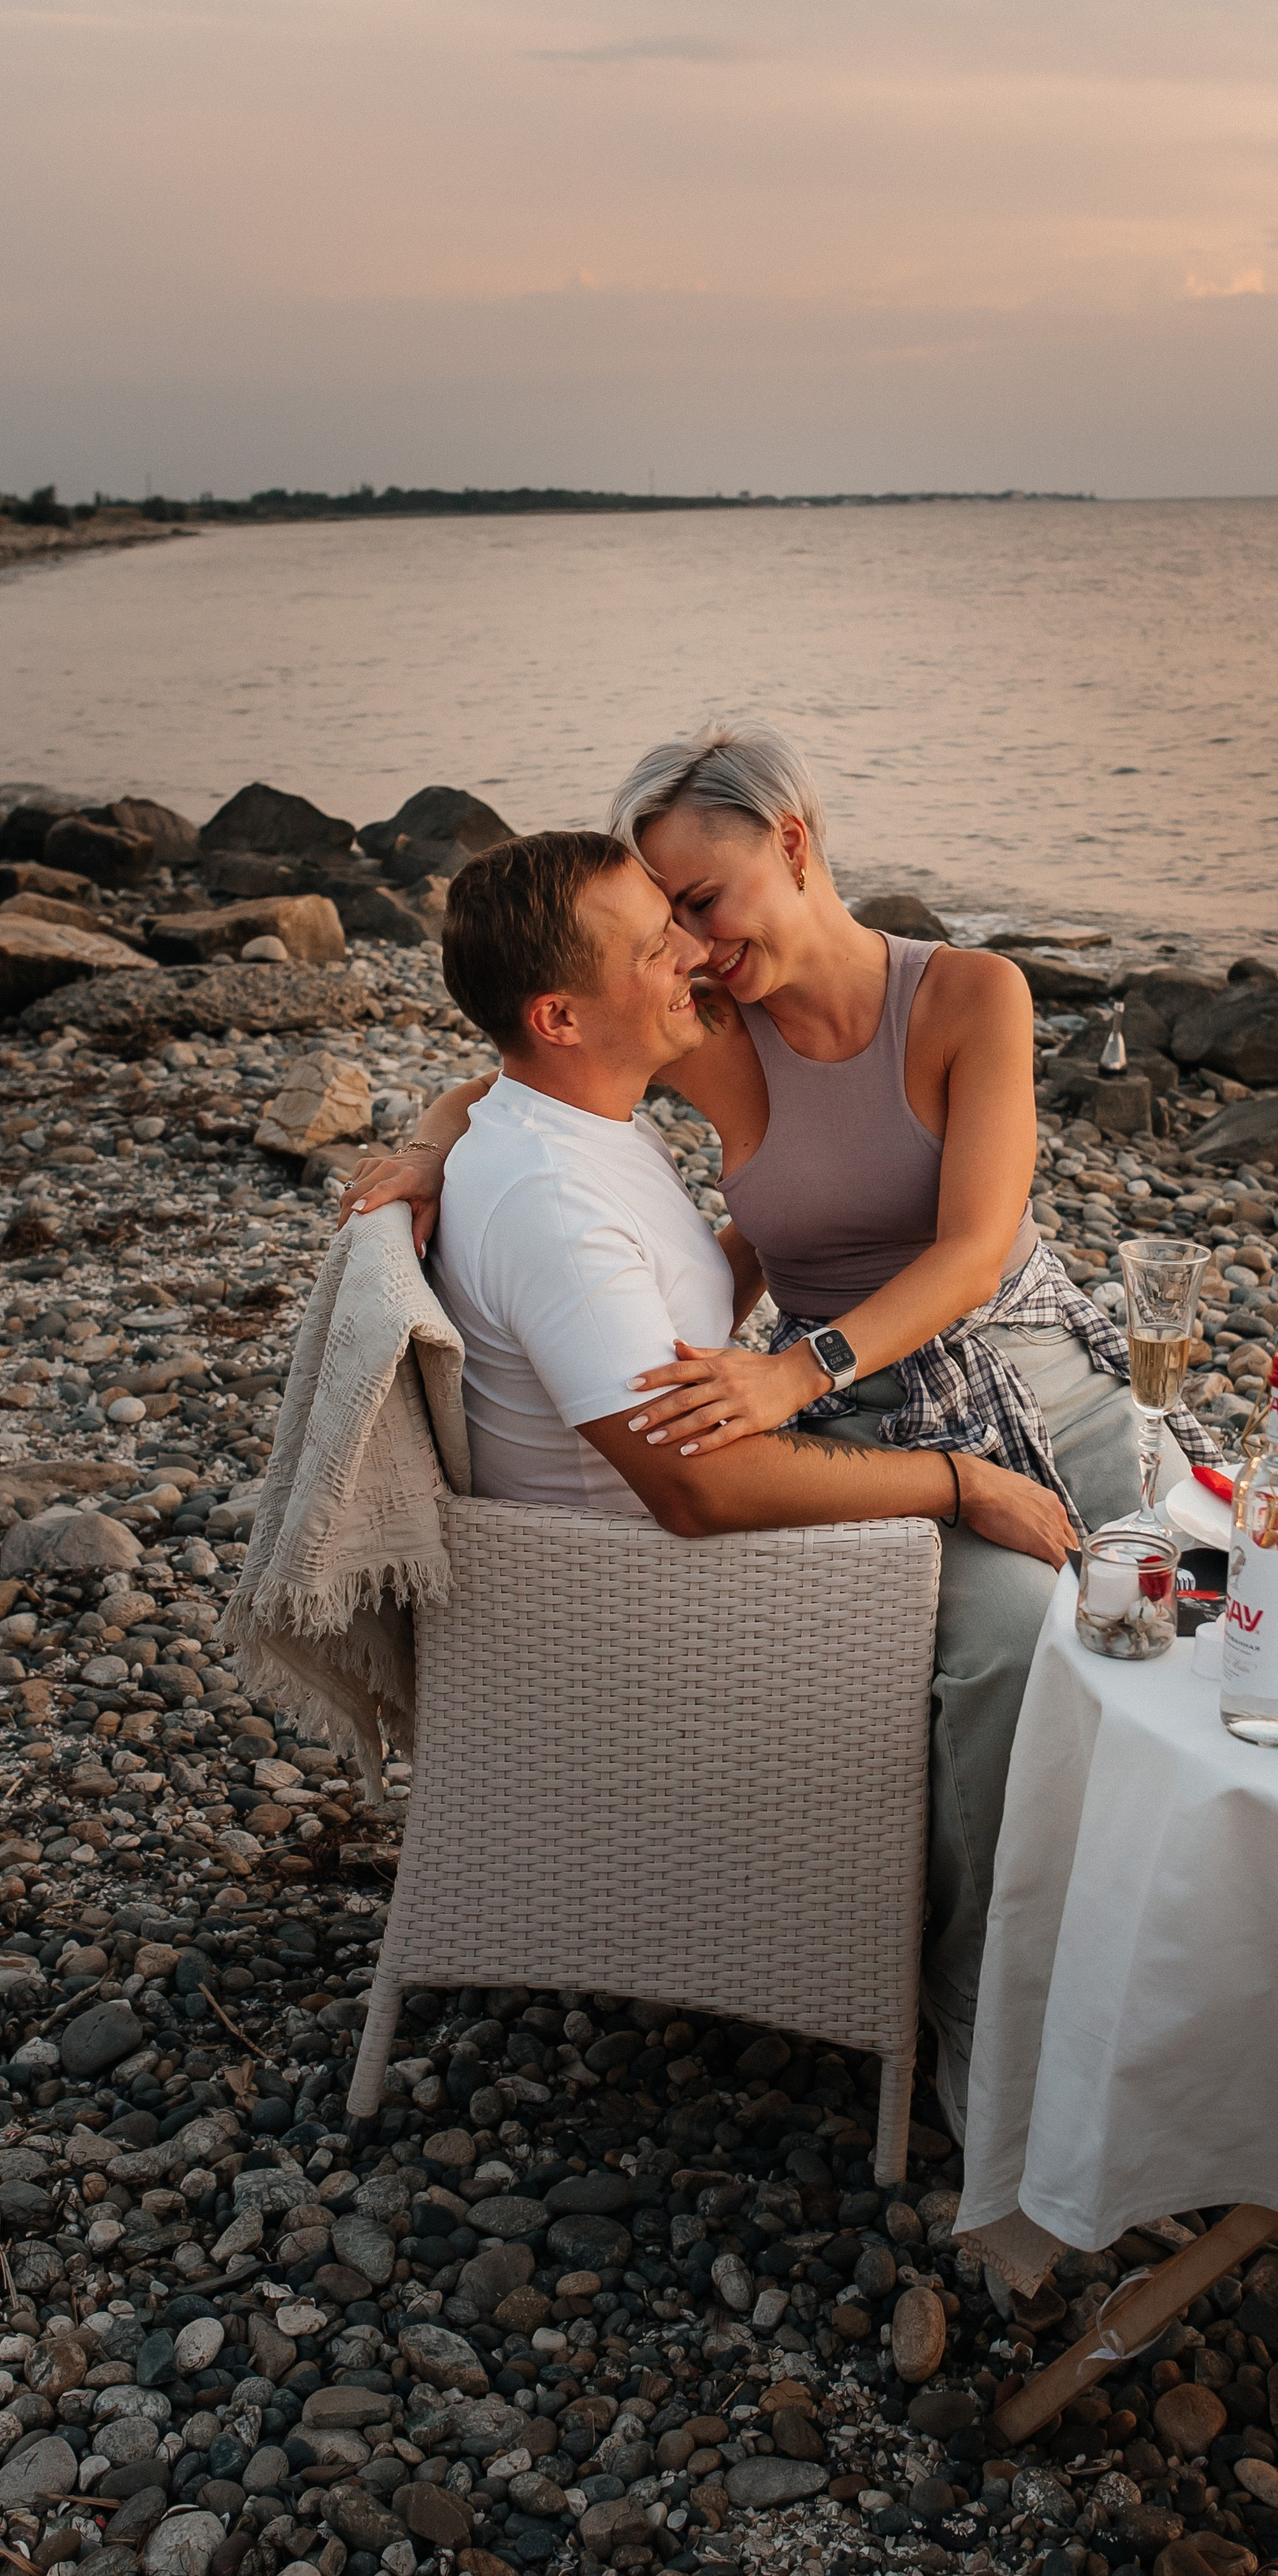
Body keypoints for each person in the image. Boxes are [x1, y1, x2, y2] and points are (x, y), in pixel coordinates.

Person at [344, 726, 1209, 2123]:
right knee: (1006, 1660)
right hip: (874, 1412)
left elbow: (976, 1253)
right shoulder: (711, 1034)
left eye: (702, 898)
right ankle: (973, 2006)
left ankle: (1172, 1962)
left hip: (1029, 1362)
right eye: (666, 916)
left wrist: (790, 1368)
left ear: (794, 841)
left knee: (1196, 1621)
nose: (688, 941)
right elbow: (530, 1054)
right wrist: (441, 1144)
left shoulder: (972, 995)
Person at [422, 827, 1071, 1562]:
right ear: (560, 1020)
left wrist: (425, 1150)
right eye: (654, 947)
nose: (693, 954)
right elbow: (698, 1490)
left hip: (685, 1526)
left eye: (680, 918)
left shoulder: (586, 1126)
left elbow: (670, 1325)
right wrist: (962, 1483)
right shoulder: (553, 1203)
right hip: (647, 1585)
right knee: (1028, 1623)